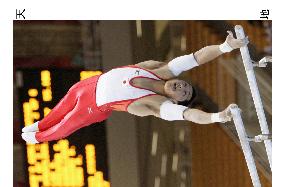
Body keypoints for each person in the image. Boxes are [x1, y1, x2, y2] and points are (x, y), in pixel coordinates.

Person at [21, 31, 248, 144]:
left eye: (184, 93)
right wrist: (225, 46)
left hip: (94, 106)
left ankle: (37, 138)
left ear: (176, 100)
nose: (183, 86)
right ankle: (38, 125)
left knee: (65, 125)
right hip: (90, 83)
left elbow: (190, 115)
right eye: (186, 85)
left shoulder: (155, 105)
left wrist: (217, 117)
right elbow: (197, 57)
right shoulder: (161, 69)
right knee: (59, 110)